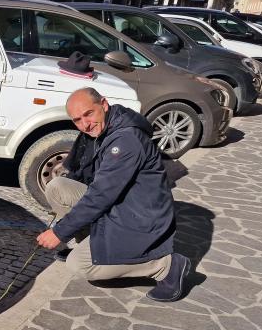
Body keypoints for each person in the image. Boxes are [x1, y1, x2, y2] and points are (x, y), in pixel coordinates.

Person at [36, 87, 191, 302]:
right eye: (77, 120)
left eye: (88, 114)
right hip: (120, 204)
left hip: (139, 215)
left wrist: (60, 232)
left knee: (81, 266)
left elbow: (101, 196)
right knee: (58, 186)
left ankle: (165, 265)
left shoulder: (126, 140)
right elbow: (90, 180)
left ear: (104, 104)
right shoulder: (103, 128)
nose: (85, 125)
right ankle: (89, 243)